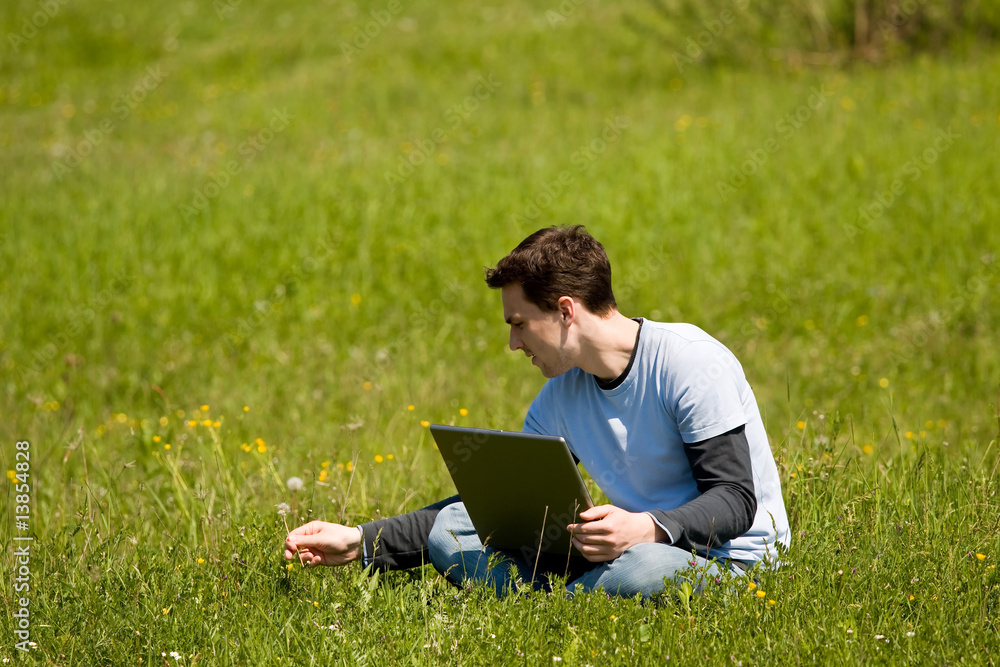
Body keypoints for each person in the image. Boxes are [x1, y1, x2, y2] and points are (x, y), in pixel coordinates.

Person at [284, 225, 790, 598]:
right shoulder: (560, 396)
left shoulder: (688, 361)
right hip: (623, 551)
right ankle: (574, 594)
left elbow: (735, 498)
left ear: (566, 311)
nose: (512, 342)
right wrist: (359, 542)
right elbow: (503, 509)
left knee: (640, 569)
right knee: (452, 528)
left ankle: (551, 601)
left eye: (520, 323)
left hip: (730, 564)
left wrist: (646, 527)